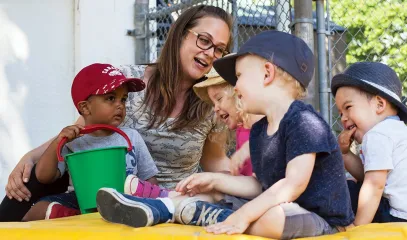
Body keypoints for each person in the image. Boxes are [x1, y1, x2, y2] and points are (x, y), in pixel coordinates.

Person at [95, 31, 355, 240]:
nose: (237, 86)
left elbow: (292, 185)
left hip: (321, 218)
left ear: (267, 73)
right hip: (284, 205)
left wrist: (243, 216)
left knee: (268, 218)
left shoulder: (304, 120)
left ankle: (194, 211)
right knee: (215, 195)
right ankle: (160, 208)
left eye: (240, 76)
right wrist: (215, 181)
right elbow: (258, 185)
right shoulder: (262, 130)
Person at [0, 5, 233, 222]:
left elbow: (216, 160)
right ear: (180, 33)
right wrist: (31, 156)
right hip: (104, 190)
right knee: (29, 179)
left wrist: (245, 186)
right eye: (204, 40)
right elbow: (83, 131)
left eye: (220, 49)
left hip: (166, 202)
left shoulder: (212, 103)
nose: (211, 53)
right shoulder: (125, 82)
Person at [22, 63, 163, 221]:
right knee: (37, 210)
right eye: (111, 98)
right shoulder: (74, 142)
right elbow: (43, 177)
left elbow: (149, 179)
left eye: (123, 99)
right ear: (85, 108)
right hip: (83, 200)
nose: (120, 105)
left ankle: (87, 219)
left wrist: (155, 202)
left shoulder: (131, 137)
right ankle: (79, 217)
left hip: (125, 199)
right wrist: (58, 142)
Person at [332, 62, 407, 226]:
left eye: (348, 107)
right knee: (359, 185)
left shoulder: (377, 135)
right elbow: (369, 176)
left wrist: (358, 227)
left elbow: (374, 185)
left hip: (401, 217)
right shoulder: (397, 131)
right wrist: (345, 154)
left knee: (346, 189)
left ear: (379, 104)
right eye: (341, 112)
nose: (343, 117)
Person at [193, 66, 263, 176]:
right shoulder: (242, 128)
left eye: (219, 99)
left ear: (238, 94)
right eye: (213, 103)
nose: (215, 108)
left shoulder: (260, 124)